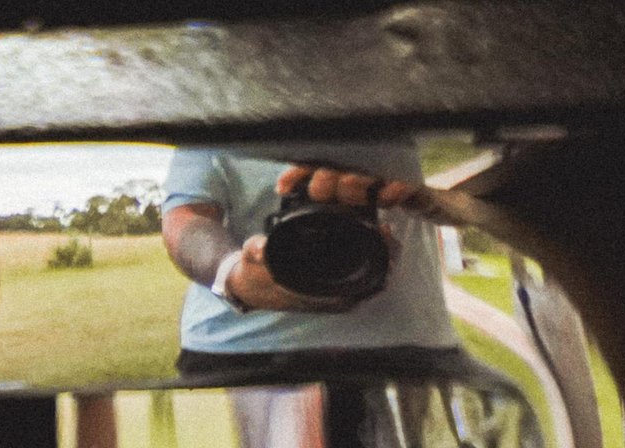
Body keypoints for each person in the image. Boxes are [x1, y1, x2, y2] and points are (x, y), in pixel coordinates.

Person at [159, 141, 462, 378]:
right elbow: (184, 218)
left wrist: (431, 199)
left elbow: (185, 213)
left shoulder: (407, 80)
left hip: (405, 344)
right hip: (239, 350)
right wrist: (232, 274)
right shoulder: (218, 93)